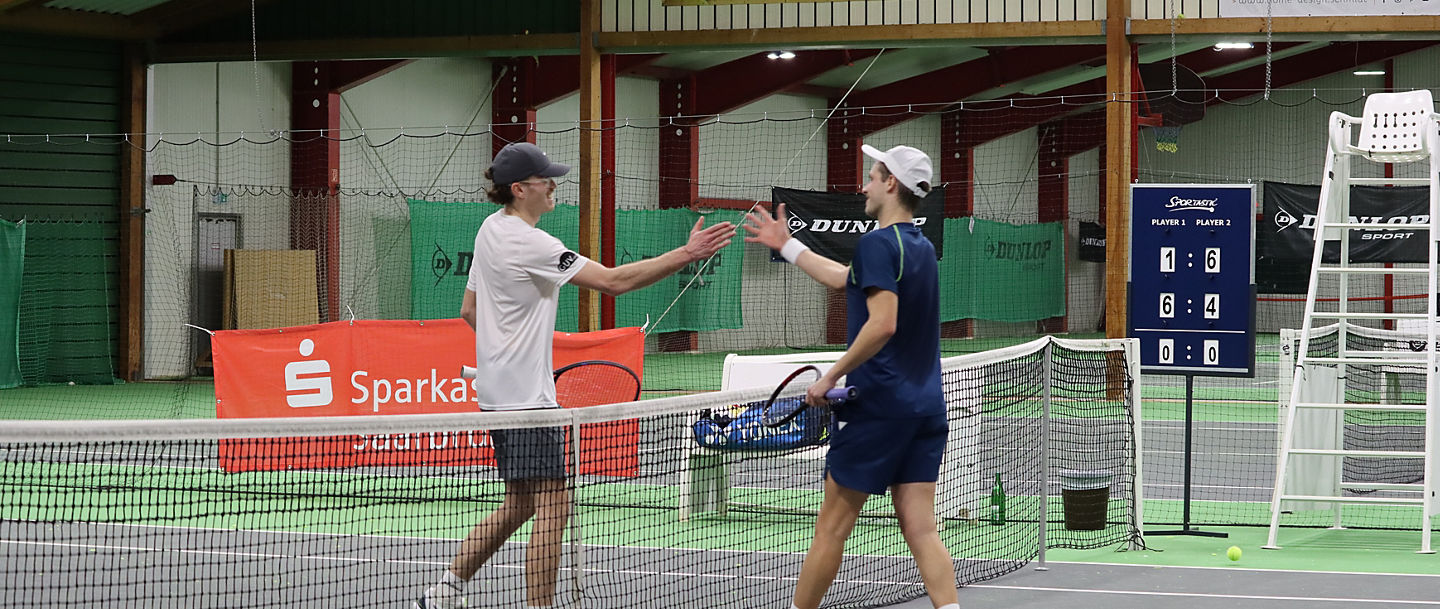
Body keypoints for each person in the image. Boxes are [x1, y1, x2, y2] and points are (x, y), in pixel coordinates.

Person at [417, 142, 735, 609]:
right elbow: (613, 282)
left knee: (521, 503)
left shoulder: (489, 230)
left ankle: (441, 594)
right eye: (545, 179)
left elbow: (470, 309)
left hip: (496, 393)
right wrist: (686, 253)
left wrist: (505, 349)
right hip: (526, 400)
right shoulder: (532, 243)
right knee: (554, 506)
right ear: (520, 189)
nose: (553, 185)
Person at [742, 144, 958, 609]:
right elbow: (845, 279)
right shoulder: (918, 247)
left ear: (891, 184)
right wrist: (789, 245)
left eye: (872, 176)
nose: (863, 185)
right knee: (920, 528)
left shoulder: (879, 244)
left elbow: (882, 323)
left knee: (832, 527)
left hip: (878, 407)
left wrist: (829, 377)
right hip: (925, 408)